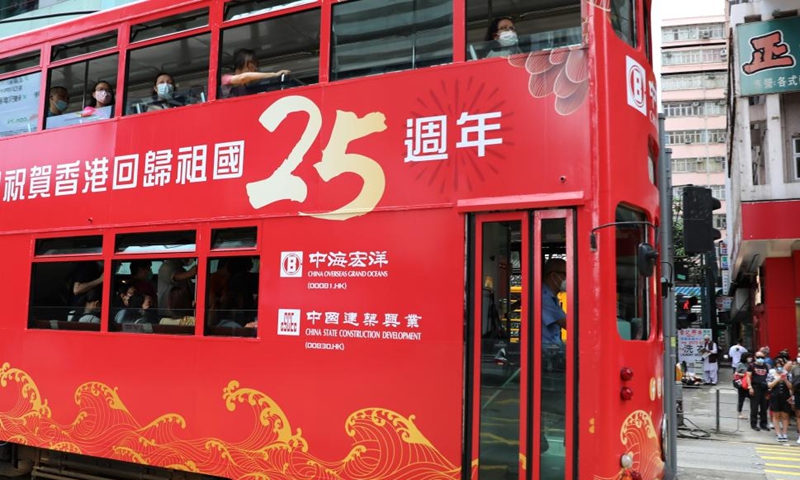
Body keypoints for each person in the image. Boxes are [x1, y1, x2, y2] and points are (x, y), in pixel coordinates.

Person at [220, 49, 290, 98]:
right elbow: (243, 78)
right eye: (255, 67)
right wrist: (274, 74)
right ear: (248, 64)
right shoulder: (225, 79)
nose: (255, 71)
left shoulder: (246, 88)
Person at [768, 358, 793, 442]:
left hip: (785, 397)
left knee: (785, 416)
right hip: (775, 397)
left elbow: (791, 387)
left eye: (780, 366)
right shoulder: (771, 374)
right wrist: (778, 379)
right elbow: (770, 385)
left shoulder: (788, 375)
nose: (779, 368)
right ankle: (778, 433)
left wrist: (785, 379)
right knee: (776, 416)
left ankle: (785, 433)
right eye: (777, 366)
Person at [747, 351, 770, 431]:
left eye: (762, 357)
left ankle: (763, 424)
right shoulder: (751, 366)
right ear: (755, 357)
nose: (760, 359)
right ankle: (754, 424)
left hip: (764, 388)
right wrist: (750, 387)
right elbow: (748, 377)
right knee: (754, 407)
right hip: (755, 388)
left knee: (764, 407)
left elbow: (768, 377)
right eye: (758, 357)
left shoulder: (766, 366)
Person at [733, 352, 751, 419]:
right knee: (741, 398)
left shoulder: (750, 364)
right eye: (749, 357)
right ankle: (739, 412)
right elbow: (736, 374)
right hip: (742, 384)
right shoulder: (740, 364)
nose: (750, 358)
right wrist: (746, 375)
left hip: (749, 384)